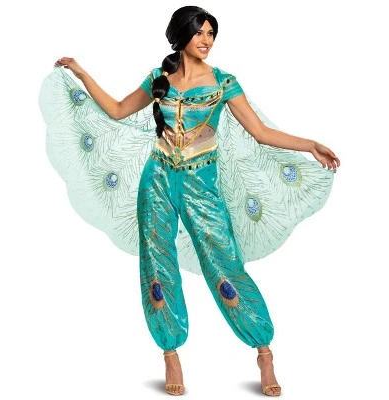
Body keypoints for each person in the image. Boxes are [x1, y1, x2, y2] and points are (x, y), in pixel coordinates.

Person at [42, 5, 340, 397]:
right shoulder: (159, 78)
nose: (206, 40)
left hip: (202, 186)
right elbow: (116, 110)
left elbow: (261, 132)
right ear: (181, 35)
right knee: (156, 263)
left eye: (211, 33)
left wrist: (310, 144)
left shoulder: (223, 82)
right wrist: (82, 73)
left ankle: (263, 351)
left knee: (224, 262)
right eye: (200, 32)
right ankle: (170, 352)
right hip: (156, 180)